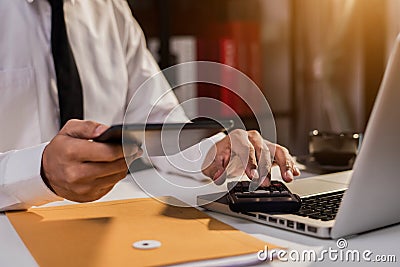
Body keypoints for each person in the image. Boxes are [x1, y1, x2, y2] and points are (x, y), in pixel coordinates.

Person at [0, 0, 299, 211]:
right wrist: (37, 172)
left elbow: (159, 119)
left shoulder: (111, 9)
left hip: (109, 223)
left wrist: (213, 150)